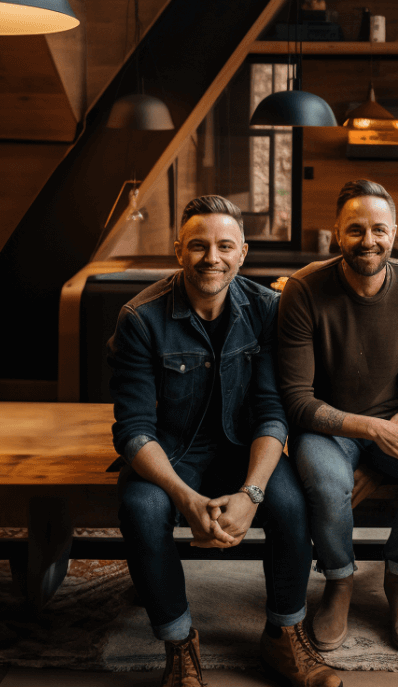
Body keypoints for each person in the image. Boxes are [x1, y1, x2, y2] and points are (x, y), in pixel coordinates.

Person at [110, 196, 339, 687]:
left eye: (223, 246)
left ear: (242, 253)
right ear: (178, 251)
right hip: (173, 455)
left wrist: (252, 492)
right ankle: (179, 645)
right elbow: (132, 430)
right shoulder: (139, 318)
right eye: (198, 245)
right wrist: (187, 499)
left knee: (290, 504)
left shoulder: (267, 310)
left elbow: (272, 413)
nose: (210, 257)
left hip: (245, 451)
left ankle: (283, 636)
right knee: (141, 509)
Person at [277, 179, 398, 653]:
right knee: (323, 477)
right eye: (355, 230)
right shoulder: (304, 289)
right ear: (337, 233)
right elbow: (297, 399)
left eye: (379, 229)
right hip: (327, 427)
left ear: (395, 233)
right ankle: (339, 581)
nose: (368, 241)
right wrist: (372, 432)